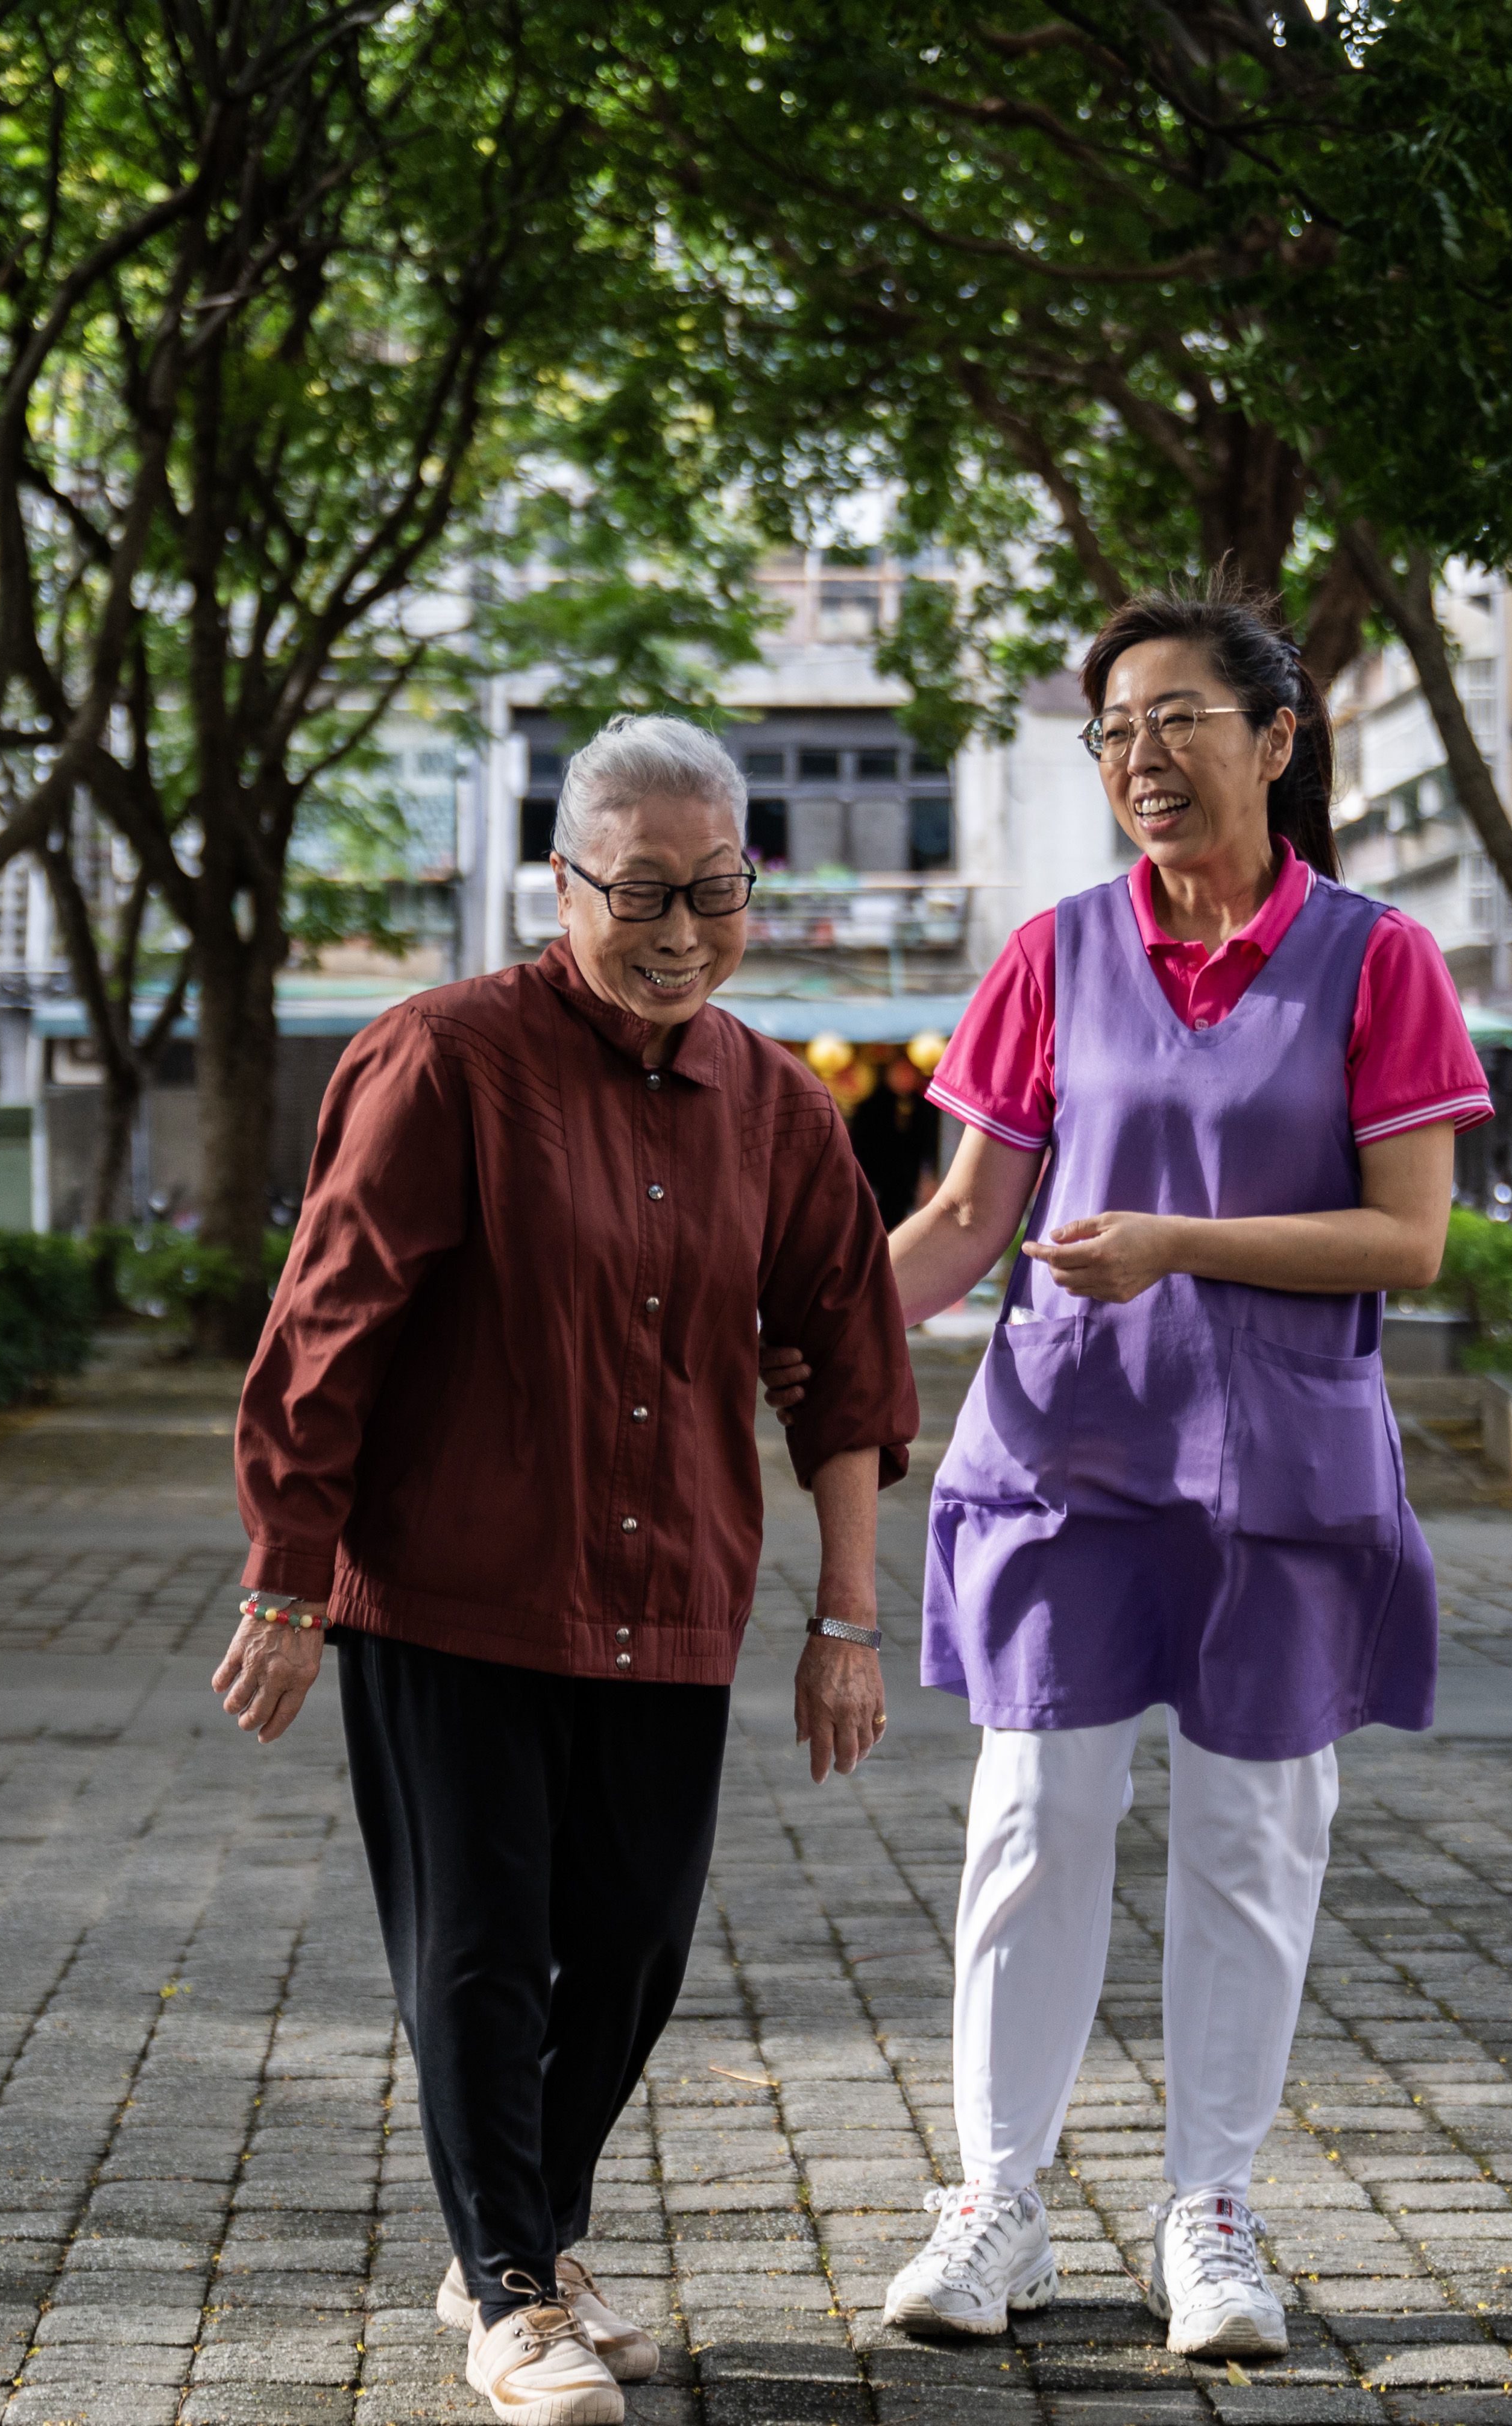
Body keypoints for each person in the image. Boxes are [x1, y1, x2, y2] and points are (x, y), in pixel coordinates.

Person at [767, 585, 1487, 2363]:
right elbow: (962, 1222)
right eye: (1113, 729)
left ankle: (1209, 2211)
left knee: (1252, 1836)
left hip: (1283, 1468)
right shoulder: (1055, 953)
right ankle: (996, 2199)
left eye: (1178, 717)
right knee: (1033, 1816)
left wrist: (1177, 1239)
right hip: (1069, 1452)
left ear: (1276, 738)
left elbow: (1408, 1240)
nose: (1141, 755)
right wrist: (799, 1342)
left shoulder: (1377, 958)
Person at [218, 713, 919, 2426]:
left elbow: (847, 1368)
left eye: (718, 891)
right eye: (644, 892)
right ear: (565, 884)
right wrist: (286, 1579)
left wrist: (847, 1617)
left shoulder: (780, 1107)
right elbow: (327, 1332)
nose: (683, 930)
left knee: (633, 1944)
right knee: (479, 1944)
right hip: (455, 1587)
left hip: (672, 1590)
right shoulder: (444, 1059)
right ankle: (516, 2293)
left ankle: (509, 2236)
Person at [849, 1048, 945, 1216]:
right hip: (877, 1180)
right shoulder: (871, 1106)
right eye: (900, 1072)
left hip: (912, 1182)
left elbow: (930, 1145)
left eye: (909, 1073)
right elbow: (861, 1146)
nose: (905, 1078)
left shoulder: (924, 1106)